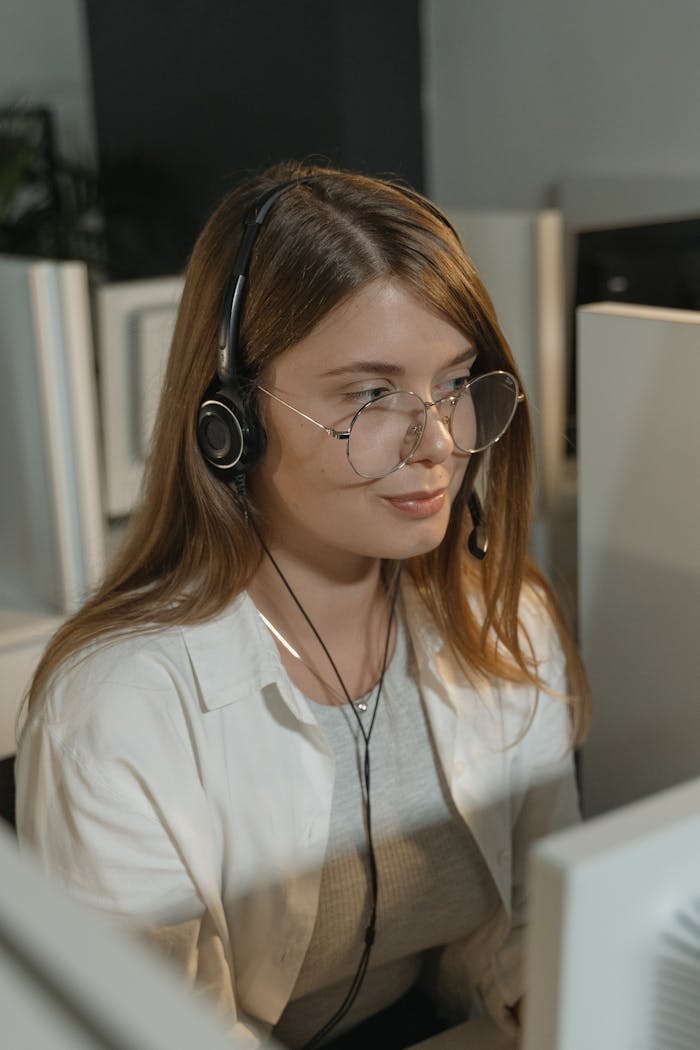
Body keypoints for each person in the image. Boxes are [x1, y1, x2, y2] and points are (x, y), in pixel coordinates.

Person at [16, 162, 590, 1049]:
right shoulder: (120, 707)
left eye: (454, 384)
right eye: (370, 394)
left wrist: (514, 973)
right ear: (230, 420)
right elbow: (146, 1031)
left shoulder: (502, 618)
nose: (438, 443)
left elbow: (529, 908)